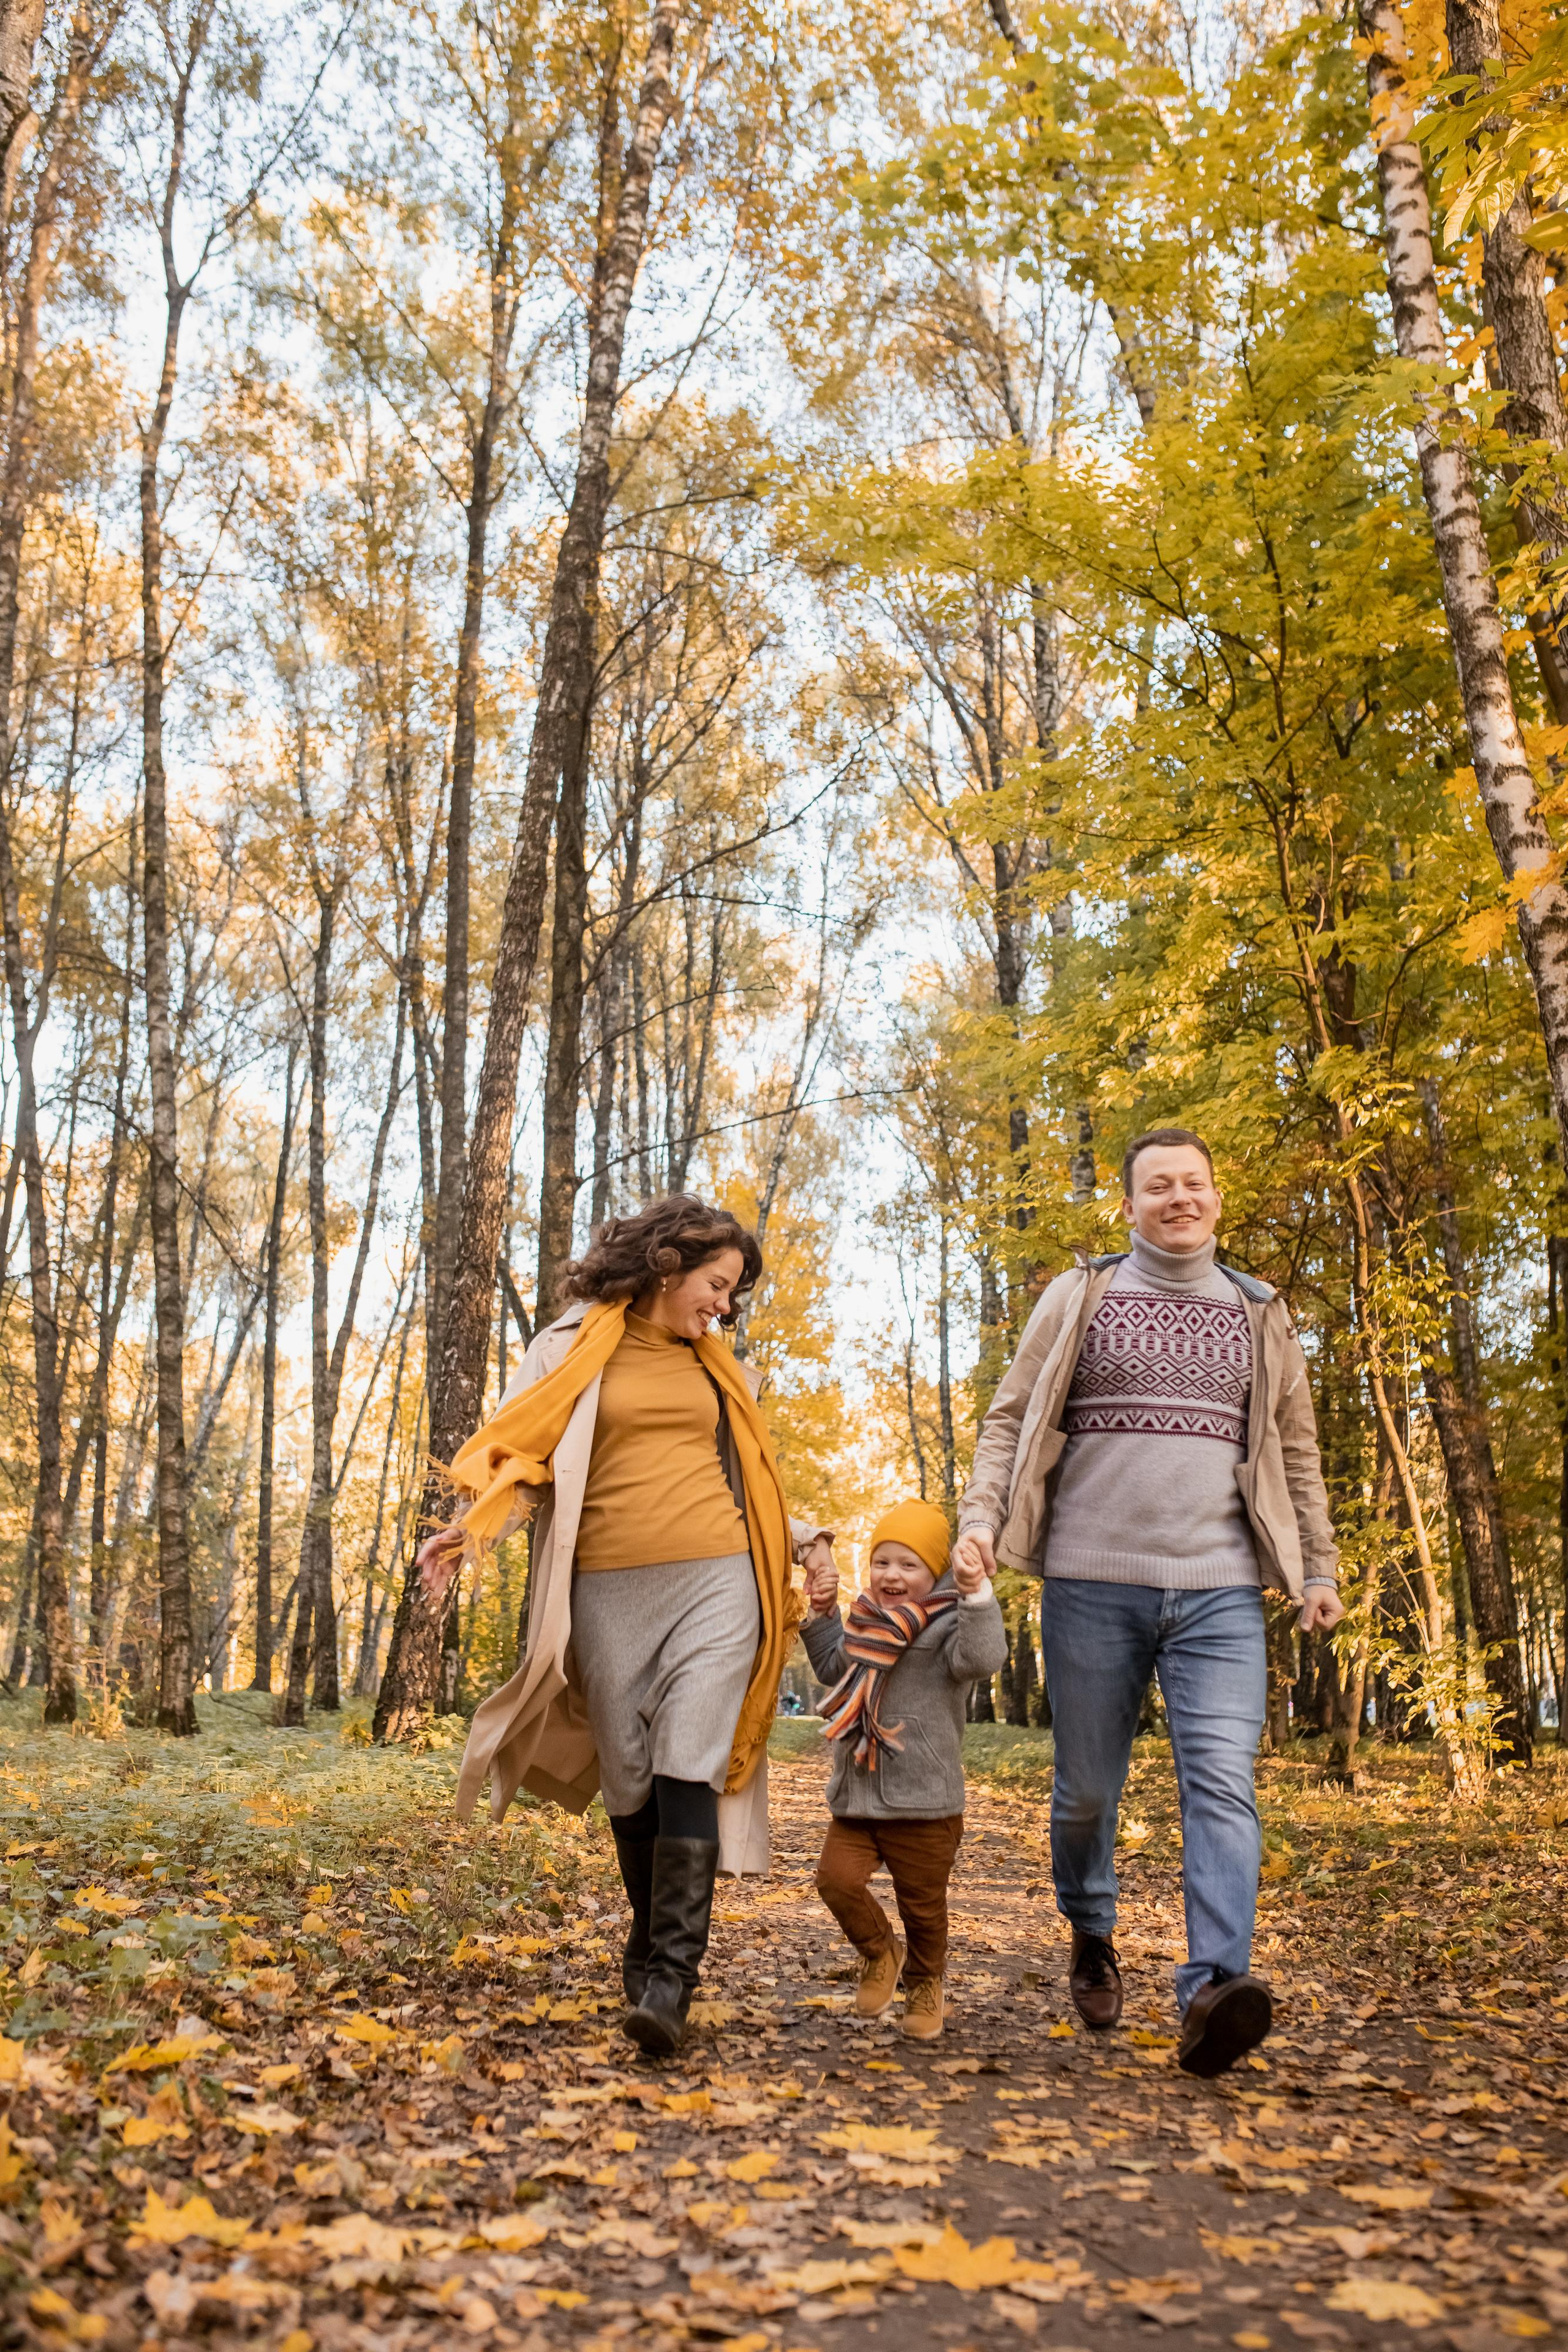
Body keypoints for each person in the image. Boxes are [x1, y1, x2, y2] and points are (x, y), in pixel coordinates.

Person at [954, 1129, 1344, 2077]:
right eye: (1159, 1186)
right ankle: (1091, 1928)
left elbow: (1296, 1452)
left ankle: (1213, 1989)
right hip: (1093, 1580)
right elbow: (1010, 1418)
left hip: (1220, 1591)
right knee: (1088, 1791)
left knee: (1222, 1784)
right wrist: (979, 1521)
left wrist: (1318, 1570)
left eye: (1195, 1184)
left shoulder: (1260, 1313)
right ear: (1129, 1205)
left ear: (1217, 1199)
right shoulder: (1082, 1294)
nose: (1180, 1198)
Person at [417, 1195, 833, 2059]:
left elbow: (753, 1483)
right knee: (632, 1774)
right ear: (668, 1263)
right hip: (604, 1586)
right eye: (717, 1285)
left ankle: (674, 1975)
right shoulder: (565, 1351)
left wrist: (807, 1542)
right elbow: (522, 1460)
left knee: (690, 1755)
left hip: (719, 1579)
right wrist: (471, 1529)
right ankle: (648, 1942)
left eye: (734, 1294)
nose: (724, 1306)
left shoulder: (722, 1372)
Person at [801, 1501, 1008, 2043]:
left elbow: (985, 1659)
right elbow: (830, 1668)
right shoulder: (864, 1620)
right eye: (882, 1562)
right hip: (859, 1797)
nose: (892, 1576)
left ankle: (924, 1982)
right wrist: (821, 1616)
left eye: (908, 1565)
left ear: (934, 1571)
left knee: (924, 1910)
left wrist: (977, 1594)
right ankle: (879, 1952)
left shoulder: (949, 1630)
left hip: (925, 1802)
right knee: (836, 1881)